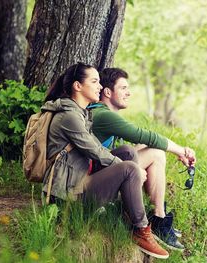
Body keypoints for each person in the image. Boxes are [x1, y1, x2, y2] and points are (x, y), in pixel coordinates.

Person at [41, 62, 169, 259]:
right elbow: (96, 151)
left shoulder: (81, 113)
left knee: (127, 152)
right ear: (78, 86)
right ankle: (141, 229)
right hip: (68, 197)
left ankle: (128, 214)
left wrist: (127, 163)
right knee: (129, 168)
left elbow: (99, 150)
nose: (100, 87)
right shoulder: (70, 117)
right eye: (94, 81)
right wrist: (133, 170)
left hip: (79, 180)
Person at [90, 67, 196, 250]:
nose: (128, 93)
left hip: (98, 172)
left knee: (148, 150)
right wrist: (180, 150)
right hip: (93, 184)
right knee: (155, 152)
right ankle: (158, 219)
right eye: (123, 88)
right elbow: (143, 135)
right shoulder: (104, 116)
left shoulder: (99, 112)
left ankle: (157, 216)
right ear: (107, 92)